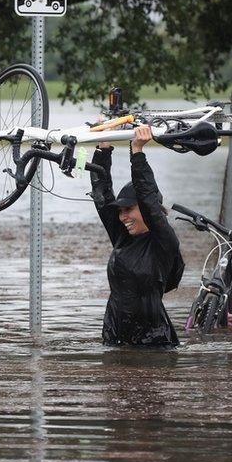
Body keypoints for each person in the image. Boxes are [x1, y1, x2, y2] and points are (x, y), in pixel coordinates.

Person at [90, 126, 185, 347]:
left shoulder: (164, 242)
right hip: (115, 335)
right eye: (120, 211)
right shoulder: (122, 237)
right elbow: (101, 195)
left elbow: (148, 198)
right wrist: (103, 148)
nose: (123, 217)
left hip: (153, 341)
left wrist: (137, 152)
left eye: (129, 209)